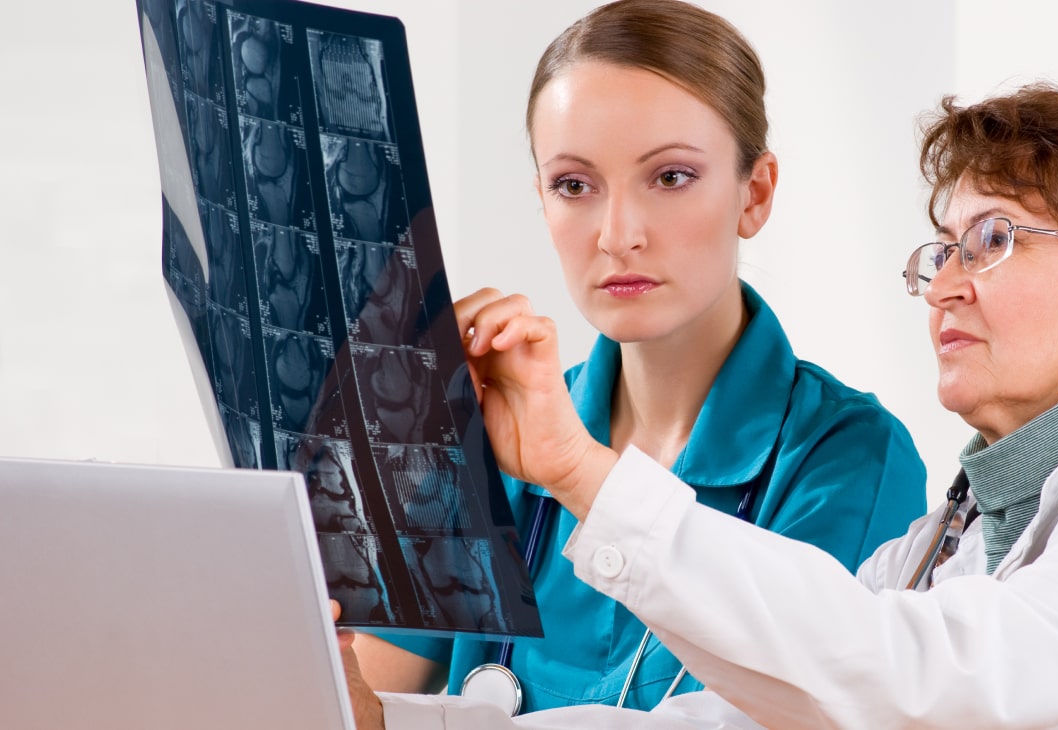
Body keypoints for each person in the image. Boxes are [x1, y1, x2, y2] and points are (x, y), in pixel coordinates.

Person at [338, 75, 1058, 728]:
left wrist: (580, 474)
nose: (945, 285)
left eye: (994, 241)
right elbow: (723, 719)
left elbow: (895, 677)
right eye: (943, 249)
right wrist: (388, 722)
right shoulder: (949, 544)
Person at [348, 0, 928, 716]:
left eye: (671, 177)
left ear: (754, 194)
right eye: (574, 185)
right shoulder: (492, 437)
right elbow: (348, 703)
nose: (617, 235)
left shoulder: (849, 461)